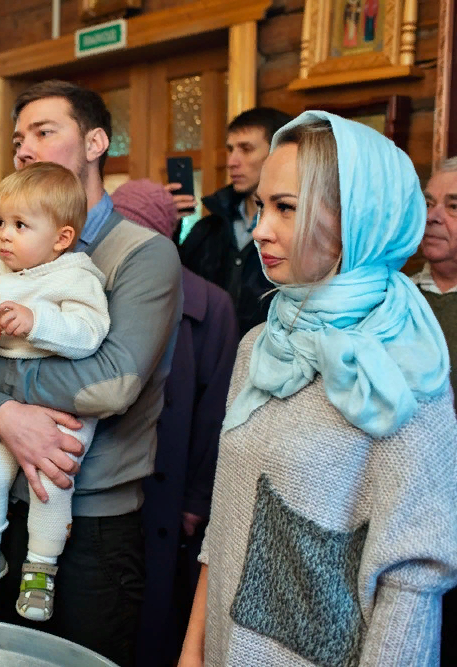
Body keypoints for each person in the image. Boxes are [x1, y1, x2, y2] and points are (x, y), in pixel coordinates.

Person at [178, 112, 457, 666]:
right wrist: (193, 650)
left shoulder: (404, 369)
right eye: (261, 206)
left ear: (359, 219)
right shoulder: (263, 343)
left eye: (286, 207)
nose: (260, 229)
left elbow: (410, 585)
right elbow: (228, 515)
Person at [0, 80, 183, 666]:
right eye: (19, 138)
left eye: (44, 132)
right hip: (2, 510)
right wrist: (5, 417)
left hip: (92, 519)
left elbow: (114, 382)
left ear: (95, 142)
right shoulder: (12, 250)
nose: (24, 148)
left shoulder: (142, 254)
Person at [0, 163, 110, 622]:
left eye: (20, 225)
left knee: (50, 484)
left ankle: (41, 567)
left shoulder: (76, 276)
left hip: (61, 409)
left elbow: (90, 332)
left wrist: (39, 323)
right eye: (1, 222)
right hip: (6, 403)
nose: (4, 235)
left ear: (61, 238)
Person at [109, 179, 239, 667]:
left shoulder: (211, 304)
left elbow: (216, 417)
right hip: (102, 480)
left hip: (167, 488)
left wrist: (196, 501)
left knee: (155, 616)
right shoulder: (91, 290)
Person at [175, 107, 294, 335]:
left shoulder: (296, 230)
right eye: (230, 150)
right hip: (209, 362)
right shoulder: (207, 229)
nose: (232, 162)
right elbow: (174, 286)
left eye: (246, 149)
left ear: (277, 153)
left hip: (266, 359)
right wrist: (170, 226)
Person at [409, 157, 457, 664]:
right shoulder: (397, 299)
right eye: (428, 203)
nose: (435, 216)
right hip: (405, 507)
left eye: (453, 205)